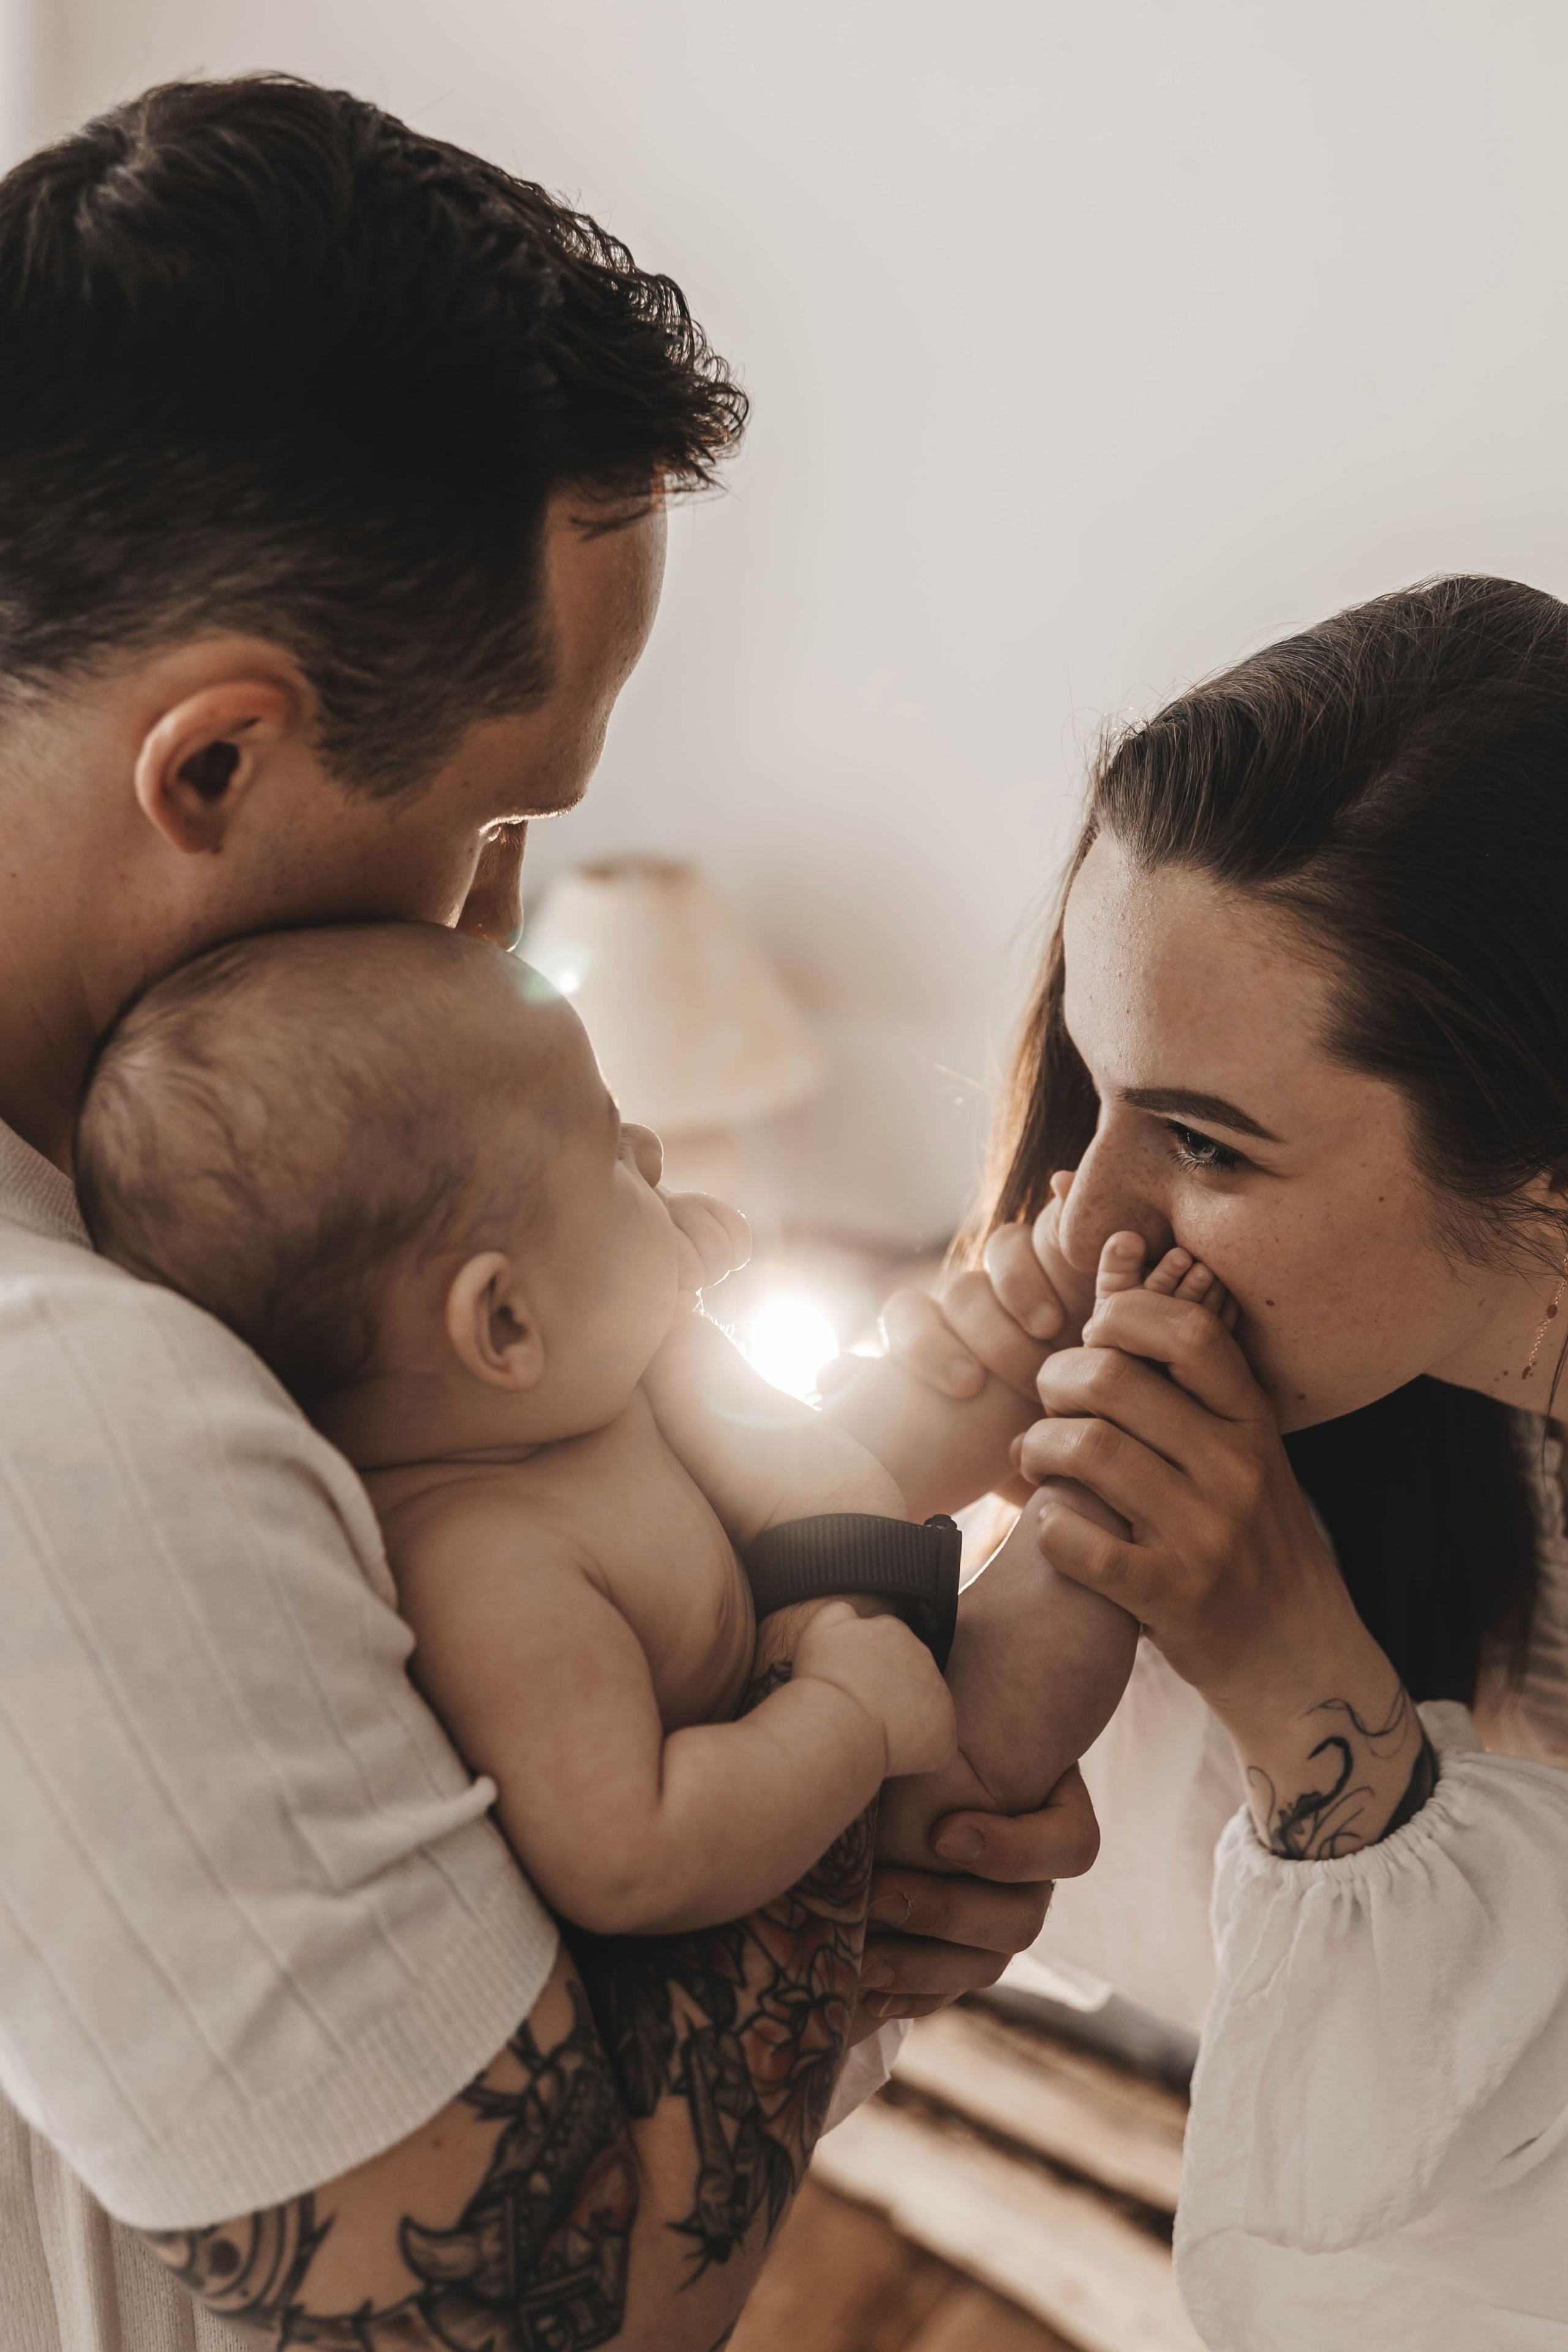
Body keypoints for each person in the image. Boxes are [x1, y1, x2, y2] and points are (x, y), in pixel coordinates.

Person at [0, 76, 1095, 2352]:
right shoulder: (71, 1424)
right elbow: (552, 2310)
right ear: (210, 765)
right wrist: (847, 1766)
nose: (506, 931)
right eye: (502, 822)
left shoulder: (159, 1254)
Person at [875, 573, 1568, 2348]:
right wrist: (885, 1489)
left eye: (1202, 1143)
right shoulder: (1305, 1428)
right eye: (1094, 1087)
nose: (1084, 1215)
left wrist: (1297, 1684)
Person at [77, 920, 959, 1936]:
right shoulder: (491, 1575)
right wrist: (846, 1722)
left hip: (811, 1625)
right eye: (611, 1145)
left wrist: (671, 1268)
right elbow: (630, 1856)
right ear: (503, 1323)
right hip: (772, 1838)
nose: (653, 1153)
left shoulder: (537, 1399)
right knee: (1046, 1642)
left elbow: (646, 1339)